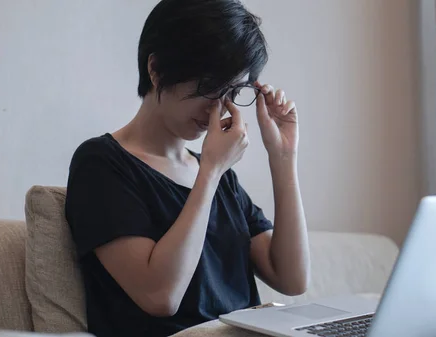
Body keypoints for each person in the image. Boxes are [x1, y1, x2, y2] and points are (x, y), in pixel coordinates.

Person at [64, 0, 310, 336]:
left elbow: (292, 279)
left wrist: (283, 157)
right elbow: (160, 296)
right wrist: (209, 173)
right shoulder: (101, 163)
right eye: (209, 85)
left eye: (231, 92)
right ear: (157, 69)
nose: (216, 108)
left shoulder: (221, 176)